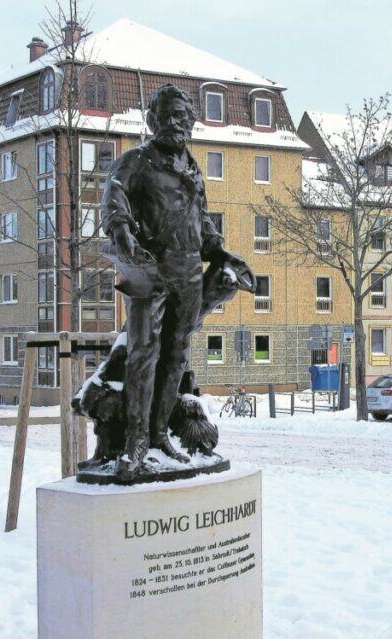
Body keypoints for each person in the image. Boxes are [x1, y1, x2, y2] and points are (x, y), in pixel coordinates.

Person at [100, 84, 254, 480]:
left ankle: (158, 435)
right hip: (149, 268)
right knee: (143, 353)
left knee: (176, 355)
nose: (175, 123)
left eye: (182, 118)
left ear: (191, 124)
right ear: (152, 120)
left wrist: (219, 251)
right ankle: (135, 441)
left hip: (188, 272)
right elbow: (114, 199)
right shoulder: (135, 162)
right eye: (167, 116)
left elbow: (201, 220)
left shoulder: (192, 167)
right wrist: (120, 230)